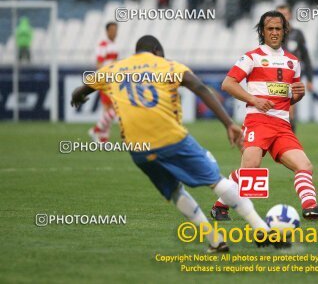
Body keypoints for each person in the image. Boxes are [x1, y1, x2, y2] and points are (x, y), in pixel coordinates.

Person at [71, 35, 279, 252]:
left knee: (174, 191)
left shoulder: (113, 69)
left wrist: (78, 95)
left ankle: (215, 241)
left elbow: (83, 89)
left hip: (138, 150)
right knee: (215, 180)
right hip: (171, 139)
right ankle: (261, 229)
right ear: (157, 52)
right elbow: (199, 88)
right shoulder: (168, 65)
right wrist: (228, 123)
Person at [210, 11, 318, 221]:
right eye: (269, 29)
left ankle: (310, 207)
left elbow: (288, 98)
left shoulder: (293, 62)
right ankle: (219, 206)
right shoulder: (252, 57)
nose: (274, 33)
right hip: (258, 121)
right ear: (262, 31)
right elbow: (228, 84)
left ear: (285, 31)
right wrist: (254, 100)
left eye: (278, 29)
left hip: (282, 125)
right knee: (251, 168)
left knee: (305, 165)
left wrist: (298, 96)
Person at [276, 4, 314, 132]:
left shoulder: (297, 34)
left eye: (285, 14)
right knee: (282, 110)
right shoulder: (273, 35)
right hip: (275, 76)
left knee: (289, 108)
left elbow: (306, 57)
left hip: (293, 76)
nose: (282, 18)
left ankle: (289, 137)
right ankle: (287, 138)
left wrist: (310, 79)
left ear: (290, 15)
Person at [89, 22, 119, 143]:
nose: (114, 32)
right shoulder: (103, 45)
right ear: (107, 31)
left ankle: (103, 136)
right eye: (112, 30)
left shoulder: (114, 45)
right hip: (107, 79)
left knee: (110, 108)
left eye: (116, 30)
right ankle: (97, 130)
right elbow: (99, 63)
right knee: (115, 107)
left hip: (113, 78)